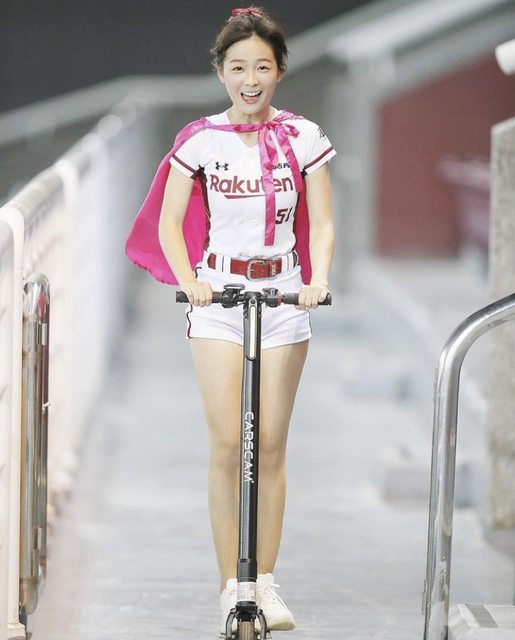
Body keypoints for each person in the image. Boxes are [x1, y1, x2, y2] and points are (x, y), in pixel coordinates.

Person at [126, 6, 335, 636]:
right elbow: (169, 223)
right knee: (227, 445)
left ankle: (264, 581)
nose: (251, 80)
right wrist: (192, 283)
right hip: (218, 300)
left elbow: (323, 224)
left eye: (262, 67)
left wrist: (317, 280)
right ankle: (230, 587)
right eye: (239, 67)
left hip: (284, 297)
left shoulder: (305, 137)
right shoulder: (199, 141)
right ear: (221, 72)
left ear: (280, 71)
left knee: (269, 444)